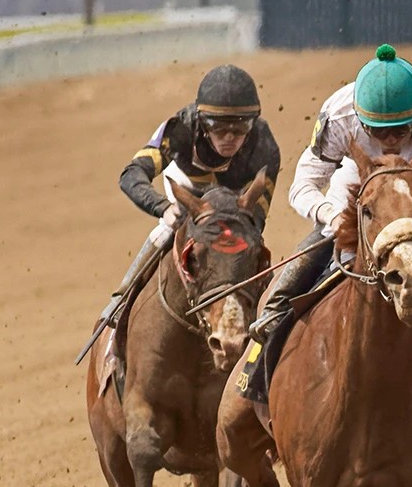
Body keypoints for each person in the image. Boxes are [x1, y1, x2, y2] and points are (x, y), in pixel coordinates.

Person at [250, 44, 412, 405]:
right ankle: (275, 312)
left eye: (402, 130)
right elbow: (303, 186)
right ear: (359, 120)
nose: (390, 140)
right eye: (378, 132)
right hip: (357, 191)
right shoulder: (339, 115)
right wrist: (335, 218)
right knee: (319, 243)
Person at [96, 65, 280, 329]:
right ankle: (121, 301)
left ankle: (268, 315)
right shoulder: (180, 128)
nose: (229, 137)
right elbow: (132, 174)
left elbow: (256, 219)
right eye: (219, 128)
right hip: (188, 187)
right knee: (171, 225)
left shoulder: (265, 145)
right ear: (202, 123)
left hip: (235, 202)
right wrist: (162, 208)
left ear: (252, 124)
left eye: (240, 128)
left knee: (247, 243)